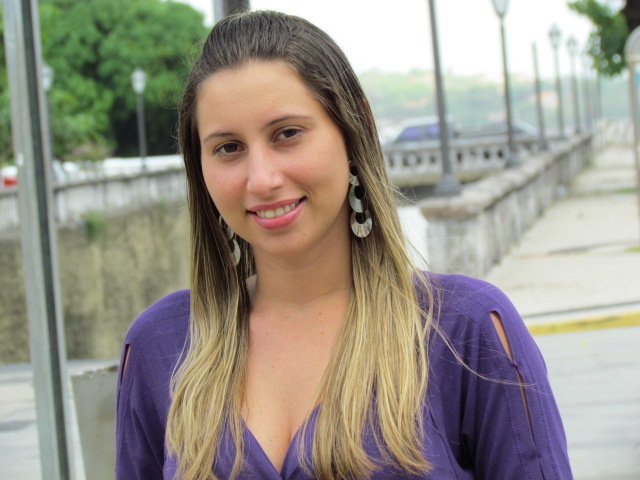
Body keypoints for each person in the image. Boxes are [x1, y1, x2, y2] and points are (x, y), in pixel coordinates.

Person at [115, 10, 573, 480]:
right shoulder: (161, 347)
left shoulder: (464, 332)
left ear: (355, 127)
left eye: (287, 134)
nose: (262, 179)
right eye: (228, 147)